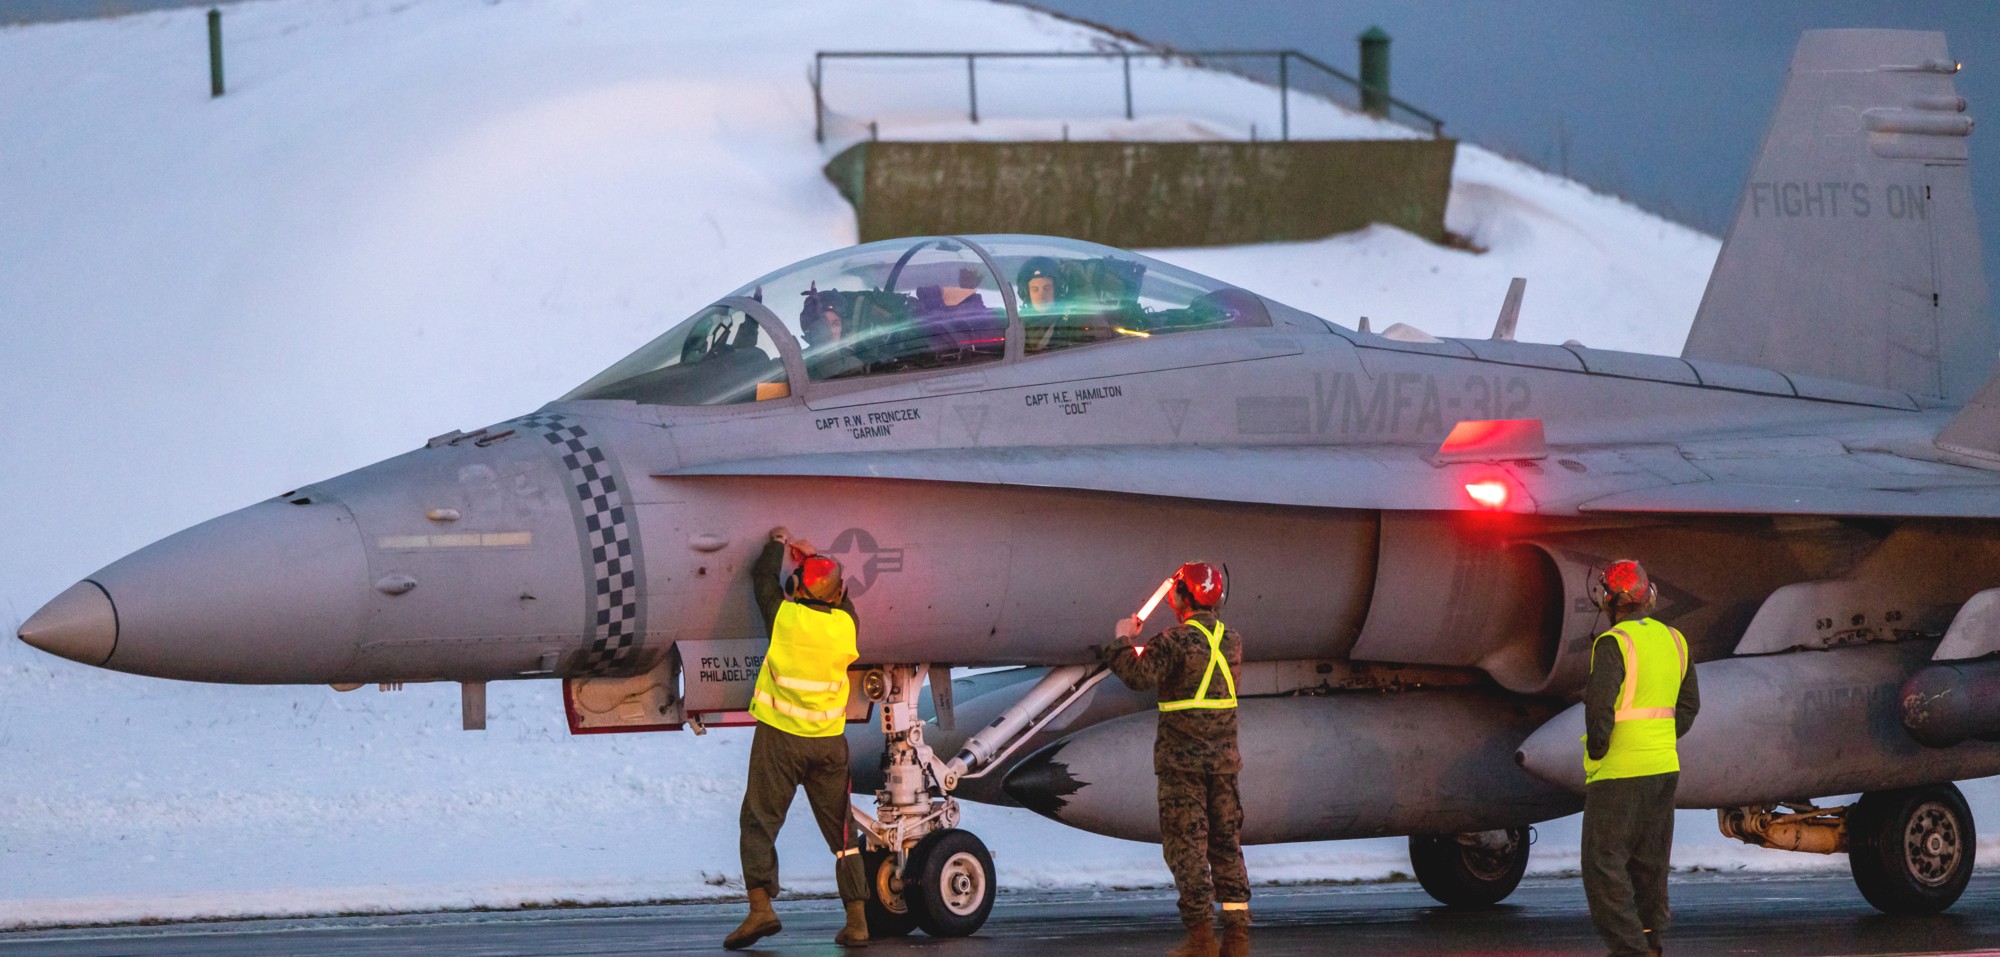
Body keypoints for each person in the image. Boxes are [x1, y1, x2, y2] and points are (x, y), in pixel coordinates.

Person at [724, 527, 870, 950]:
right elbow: (840, 596)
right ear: (837, 593)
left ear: (795, 588)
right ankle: (857, 920)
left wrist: (776, 544)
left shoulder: (785, 618)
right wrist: (817, 555)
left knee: (759, 821)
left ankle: (760, 909)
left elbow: (761, 579)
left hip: (781, 740)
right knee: (842, 835)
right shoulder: (846, 627)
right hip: (828, 743)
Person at [1101, 562, 1251, 957]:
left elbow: (1137, 675)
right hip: (1223, 764)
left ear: (1184, 597)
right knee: (1225, 847)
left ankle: (1201, 939)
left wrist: (1121, 639)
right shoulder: (1231, 641)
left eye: (1176, 591)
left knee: (1186, 848)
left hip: (1182, 766)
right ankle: (1237, 938)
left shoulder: (1175, 641)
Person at [1580, 559, 1701, 957]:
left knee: (1604, 865)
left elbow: (1599, 707)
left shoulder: (1613, 643)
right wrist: (1660, 737)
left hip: (1619, 770)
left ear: (1608, 602)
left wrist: (1599, 748)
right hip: (1663, 767)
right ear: (1648, 595)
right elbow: (1688, 707)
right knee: (1650, 864)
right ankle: (1650, 943)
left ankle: (1630, 951)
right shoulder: (1676, 640)